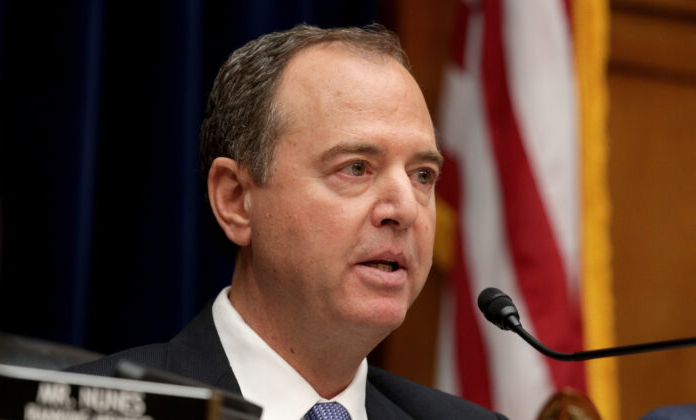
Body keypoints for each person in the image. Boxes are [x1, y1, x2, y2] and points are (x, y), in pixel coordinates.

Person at [71, 24, 507, 420]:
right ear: (236, 200)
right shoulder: (84, 412)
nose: (406, 209)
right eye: (356, 168)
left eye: (422, 175)